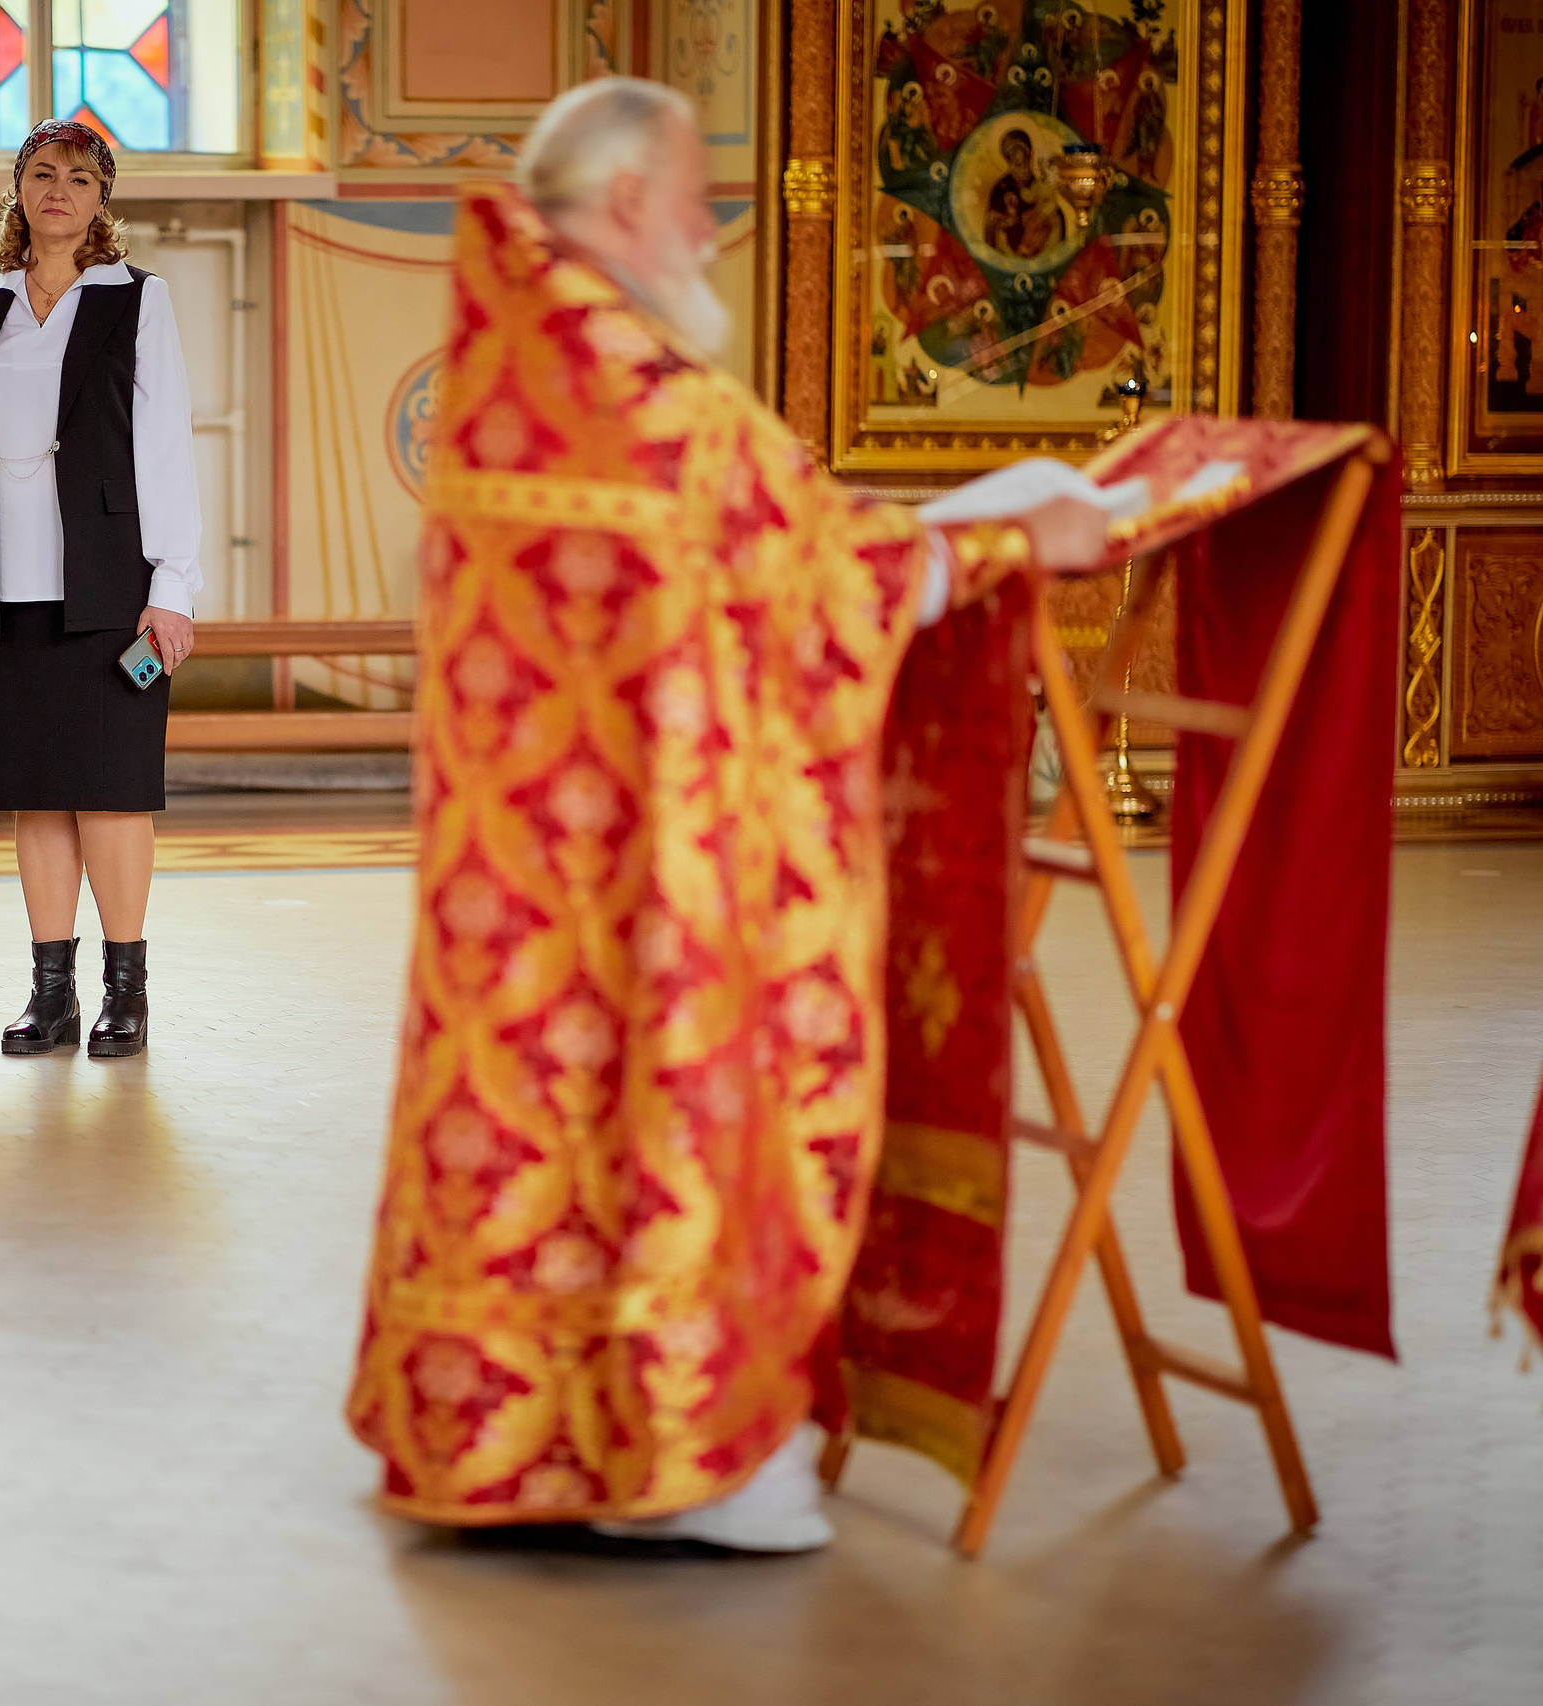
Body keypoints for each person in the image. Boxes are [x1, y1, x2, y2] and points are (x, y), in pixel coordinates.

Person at [340, 78, 1116, 1552]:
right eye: (697, 194)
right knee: (664, 1102)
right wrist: (1026, 532)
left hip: (534, 881)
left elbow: (759, 550)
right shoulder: (634, 385)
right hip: (646, 868)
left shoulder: (524, 365)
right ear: (630, 200)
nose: (709, 224)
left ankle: (536, 1441)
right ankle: (672, 1451)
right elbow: (811, 575)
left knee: (544, 1138)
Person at [0, 118, 204, 1060]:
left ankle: (127, 993)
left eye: (79, 177)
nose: (59, 190)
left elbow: (166, 449)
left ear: (101, 198)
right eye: (43, 174)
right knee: (37, 797)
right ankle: (52, 996)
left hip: (114, 591)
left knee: (113, 795)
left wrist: (175, 588)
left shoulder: (137, 300)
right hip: (6, 586)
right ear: (20, 190)